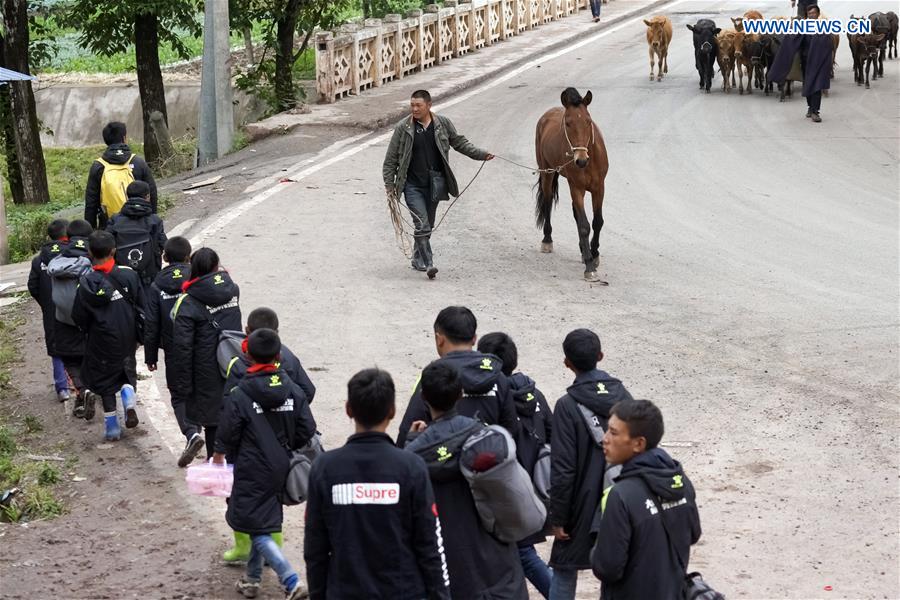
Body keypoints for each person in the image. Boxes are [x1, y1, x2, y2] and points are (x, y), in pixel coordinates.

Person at [304, 368, 451, 600]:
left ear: (348, 409)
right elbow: (429, 543)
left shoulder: (324, 468)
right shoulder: (411, 468)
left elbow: (315, 548)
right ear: (392, 411)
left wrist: (318, 595)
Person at [405, 361, 528, 600]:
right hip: (498, 568)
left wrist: (412, 441)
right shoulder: (486, 437)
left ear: (423, 397)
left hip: (451, 572)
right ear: (461, 394)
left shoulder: (413, 457)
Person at [213, 329, 315, 600]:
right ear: (278, 356)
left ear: (246, 354)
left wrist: (219, 456)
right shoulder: (292, 389)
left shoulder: (241, 393)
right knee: (263, 521)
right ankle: (252, 580)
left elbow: (228, 431)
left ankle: (290, 579)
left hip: (250, 468)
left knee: (253, 525)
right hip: (281, 465)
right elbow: (307, 428)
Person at [549, 329, 633, 600]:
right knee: (619, 568)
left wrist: (558, 517)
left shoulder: (567, 405)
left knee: (564, 570)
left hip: (580, 507)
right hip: (622, 498)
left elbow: (563, 467)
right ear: (600, 356)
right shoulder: (625, 397)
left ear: (566, 363)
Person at [591, 399, 702, 599]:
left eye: (614, 433)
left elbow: (607, 568)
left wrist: (596, 550)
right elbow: (693, 534)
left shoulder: (621, 495)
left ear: (639, 443)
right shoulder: (680, 482)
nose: (604, 439)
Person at [382, 89, 494, 279]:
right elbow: (391, 159)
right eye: (412, 105)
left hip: (435, 184)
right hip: (412, 185)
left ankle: (418, 259)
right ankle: (429, 264)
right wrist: (390, 185)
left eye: (418, 105)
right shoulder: (404, 128)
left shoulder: (442, 124)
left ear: (429, 105)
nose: (414, 109)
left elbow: (460, 143)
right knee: (422, 224)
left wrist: (481, 154)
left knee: (428, 225)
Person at [477, 332, 553, 599]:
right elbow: (552, 436)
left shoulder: (493, 396)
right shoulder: (536, 394)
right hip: (536, 488)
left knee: (523, 555)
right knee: (519, 553)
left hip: (507, 489)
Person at [396, 306, 519, 448]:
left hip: (441, 465)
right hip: (487, 464)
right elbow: (511, 431)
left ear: (439, 339)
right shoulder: (496, 376)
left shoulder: (435, 375)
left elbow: (408, 431)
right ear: (474, 339)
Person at [71, 231, 143, 441]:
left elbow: (78, 315)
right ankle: (129, 395)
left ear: (90, 252)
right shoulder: (128, 274)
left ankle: (112, 426)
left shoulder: (85, 283)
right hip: (126, 332)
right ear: (114, 250)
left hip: (100, 337)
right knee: (126, 366)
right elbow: (140, 302)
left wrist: (88, 330)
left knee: (103, 377)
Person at [171, 248, 241, 460]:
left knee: (212, 422)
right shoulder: (233, 289)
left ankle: (216, 468)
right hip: (233, 360)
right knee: (236, 411)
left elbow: (182, 346)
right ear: (215, 266)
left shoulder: (187, 302)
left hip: (206, 369)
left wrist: (182, 384)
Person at [144, 236, 201, 466]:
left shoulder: (157, 285)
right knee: (198, 389)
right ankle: (201, 430)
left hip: (174, 350)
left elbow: (151, 323)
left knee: (178, 395)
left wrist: (150, 356)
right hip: (200, 346)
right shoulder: (197, 278)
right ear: (189, 256)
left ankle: (191, 433)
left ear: (164, 257)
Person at [46, 219, 93, 418]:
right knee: (92, 355)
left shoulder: (54, 262)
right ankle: (93, 389)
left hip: (62, 317)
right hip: (89, 319)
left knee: (69, 358)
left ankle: (82, 389)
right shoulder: (93, 257)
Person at [84, 121, 158, 229]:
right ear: (124, 138)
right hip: (140, 224)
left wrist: (91, 231)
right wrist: (152, 219)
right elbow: (152, 192)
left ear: (106, 141)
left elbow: (91, 203)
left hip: (111, 227)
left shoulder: (98, 166)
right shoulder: (138, 162)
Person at [27, 218, 70, 402]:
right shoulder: (72, 255)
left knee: (55, 347)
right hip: (71, 308)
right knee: (77, 343)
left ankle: (62, 388)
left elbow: (32, 285)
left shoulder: (39, 261)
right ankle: (82, 384)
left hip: (50, 310)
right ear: (67, 235)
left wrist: (45, 303)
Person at [767, 3, 832, 122]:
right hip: (806, 61)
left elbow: (828, 44)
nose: (812, 15)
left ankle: (815, 112)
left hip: (818, 62)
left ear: (818, 14)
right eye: (809, 13)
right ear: (807, 15)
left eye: (814, 13)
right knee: (807, 85)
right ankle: (810, 107)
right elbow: (793, 39)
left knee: (817, 86)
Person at [107, 180, 167, 288]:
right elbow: (164, 244)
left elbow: (105, 244)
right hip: (149, 275)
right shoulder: (154, 220)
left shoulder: (115, 220)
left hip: (121, 275)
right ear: (147, 196)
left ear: (127, 196)